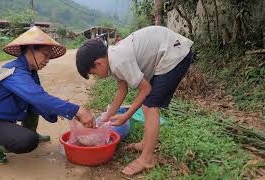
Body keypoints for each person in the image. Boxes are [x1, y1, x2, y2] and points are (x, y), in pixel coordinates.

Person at [0, 26, 94, 164]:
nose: (48, 60)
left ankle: (29, 131)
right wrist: (77, 110)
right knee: (28, 141)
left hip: (2, 118)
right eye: (45, 54)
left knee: (34, 103)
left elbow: (39, 99)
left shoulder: (30, 72)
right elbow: (39, 98)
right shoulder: (14, 73)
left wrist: (57, 110)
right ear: (30, 49)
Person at [76, 26, 194, 175]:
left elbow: (145, 89)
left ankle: (147, 159)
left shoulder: (118, 60)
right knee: (149, 104)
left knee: (149, 107)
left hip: (175, 53)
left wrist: (126, 115)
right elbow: (122, 90)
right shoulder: (112, 57)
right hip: (168, 50)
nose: (96, 76)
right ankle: (146, 143)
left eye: (93, 73)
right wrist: (106, 117)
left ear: (99, 63)